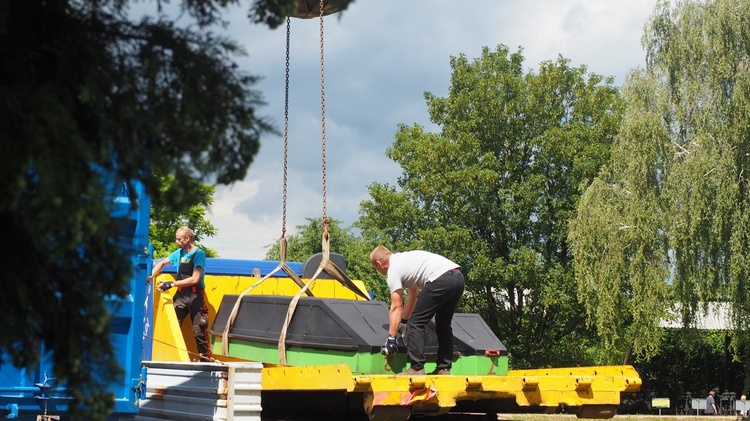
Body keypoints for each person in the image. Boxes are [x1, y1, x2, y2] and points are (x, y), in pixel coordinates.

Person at [369, 245, 465, 376]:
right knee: (443, 324)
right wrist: (403, 322)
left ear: (379, 263)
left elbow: (397, 306)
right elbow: (412, 296)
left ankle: (417, 368)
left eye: (376, 268)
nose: (378, 271)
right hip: (458, 278)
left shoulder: (393, 270)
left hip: (440, 279)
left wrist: (391, 337)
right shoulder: (405, 260)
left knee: (416, 322)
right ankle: (444, 368)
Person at [150, 227, 212, 362]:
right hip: (181, 296)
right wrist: (149, 277)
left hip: (196, 296)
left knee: (199, 330)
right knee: (172, 325)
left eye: (179, 239)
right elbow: (161, 263)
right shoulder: (178, 253)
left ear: (187, 238)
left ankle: (205, 359)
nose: (177, 241)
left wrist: (171, 284)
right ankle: (167, 358)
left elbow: (195, 278)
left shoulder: (199, 254)